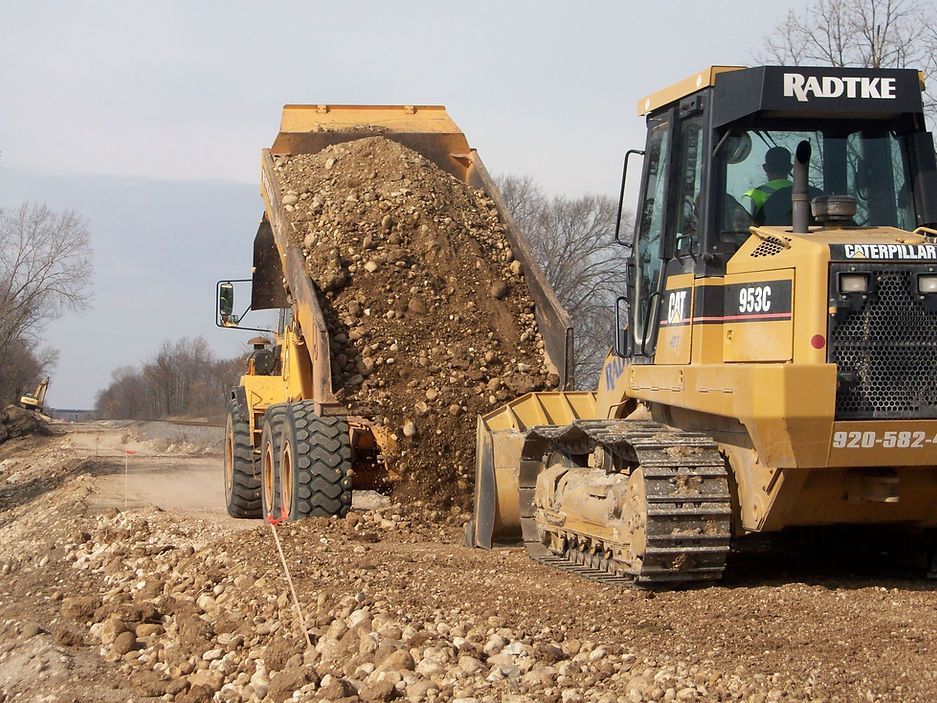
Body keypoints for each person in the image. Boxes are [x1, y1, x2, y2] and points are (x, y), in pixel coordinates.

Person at [744, 147, 793, 222]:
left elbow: (745, 228)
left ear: (765, 168)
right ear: (790, 168)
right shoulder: (808, 194)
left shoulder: (752, 196)